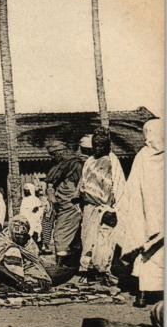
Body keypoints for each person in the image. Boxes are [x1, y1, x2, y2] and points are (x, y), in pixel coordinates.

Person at [115, 119, 164, 306]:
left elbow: (133, 188)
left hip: (147, 214)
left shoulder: (143, 156)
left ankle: (143, 295)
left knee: (147, 255)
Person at [77, 129, 126, 282]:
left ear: (107, 146)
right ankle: (87, 271)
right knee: (87, 239)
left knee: (103, 241)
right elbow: (83, 183)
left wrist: (112, 208)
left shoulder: (111, 162)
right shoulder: (90, 161)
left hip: (105, 209)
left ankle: (103, 271)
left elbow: (115, 187)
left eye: (101, 145)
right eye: (95, 145)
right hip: (89, 207)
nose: (97, 148)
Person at [0, 215, 52, 292]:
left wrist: (41, 276)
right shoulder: (1, 241)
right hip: (2, 275)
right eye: (17, 235)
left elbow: (35, 261)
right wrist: (19, 282)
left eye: (23, 235)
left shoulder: (28, 241)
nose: (21, 237)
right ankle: (13, 285)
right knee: (14, 251)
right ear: (11, 232)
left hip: (22, 272)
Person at [44, 140, 85, 265]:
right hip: (62, 207)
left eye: (53, 154)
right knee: (65, 237)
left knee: (61, 236)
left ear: (60, 152)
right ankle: (67, 265)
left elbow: (81, 186)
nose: (52, 157)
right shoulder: (59, 166)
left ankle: (63, 266)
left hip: (71, 207)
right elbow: (51, 182)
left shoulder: (75, 165)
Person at [19, 183, 44, 247]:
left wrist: (36, 210)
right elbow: (22, 211)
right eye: (25, 190)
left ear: (31, 190)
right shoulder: (24, 200)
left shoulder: (36, 200)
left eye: (27, 190)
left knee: (34, 235)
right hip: (25, 221)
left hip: (34, 221)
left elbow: (40, 211)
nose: (25, 192)